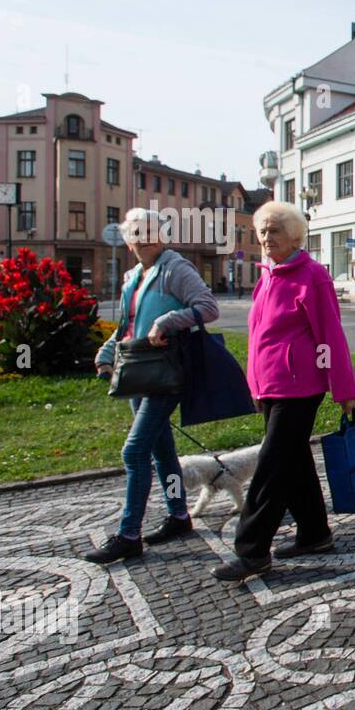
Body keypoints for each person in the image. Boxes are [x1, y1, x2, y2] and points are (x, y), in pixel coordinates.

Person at [213, 201, 355, 583]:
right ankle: (315, 534)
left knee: (270, 468)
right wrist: (254, 384)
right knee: (293, 462)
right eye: (262, 230)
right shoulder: (268, 276)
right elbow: (260, 338)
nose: (265, 237)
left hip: (300, 387)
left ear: (295, 235)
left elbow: (331, 337)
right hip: (272, 386)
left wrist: (344, 388)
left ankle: (252, 552)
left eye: (274, 230)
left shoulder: (312, 277)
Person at [86, 209, 220, 564]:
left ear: (162, 235)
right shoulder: (133, 276)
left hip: (166, 374)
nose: (143, 239)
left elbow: (208, 308)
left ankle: (129, 535)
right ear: (127, 241)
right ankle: (178, 515)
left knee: (134, 452)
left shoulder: (177, 269)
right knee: (162, 453)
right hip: (138, 372)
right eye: (135, 233)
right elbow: (127, 325)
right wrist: (106, 353)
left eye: (149, 231)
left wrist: (167, 320)